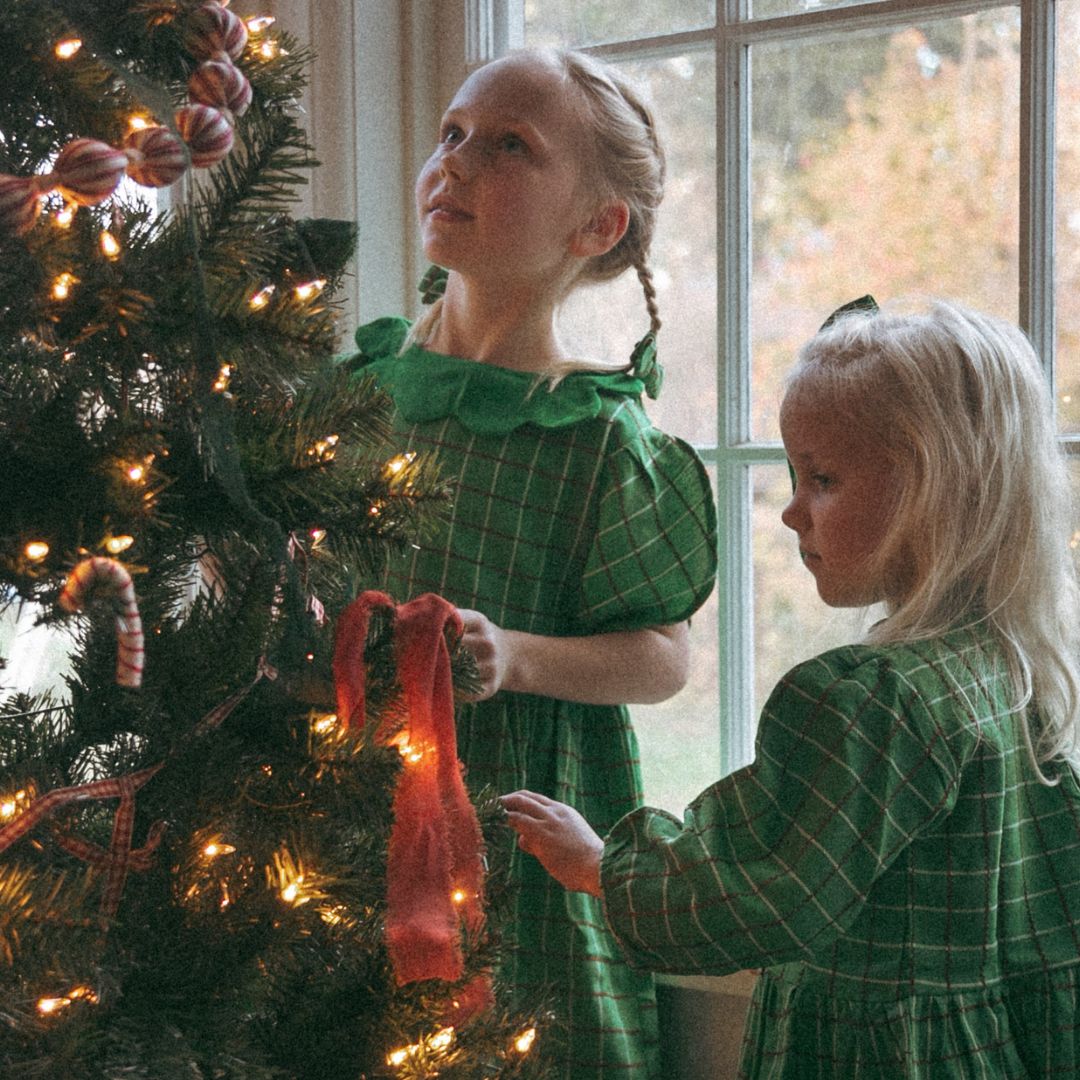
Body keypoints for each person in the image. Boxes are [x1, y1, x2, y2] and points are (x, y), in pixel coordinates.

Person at [503, 299, 1080, 1078]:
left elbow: (765, 888)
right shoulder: (1008, 665)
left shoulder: (869, 698)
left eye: (824, 479)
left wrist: (602, 868)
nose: (790, 511)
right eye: (793, 475)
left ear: (934, 491)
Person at [341, 47, 717, 1078]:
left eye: (509, 146)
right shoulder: (353, 395)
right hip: (326, 816)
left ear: (598, 226)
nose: (455, 162)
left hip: (514, 839)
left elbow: (665, 659)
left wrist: (515, 655)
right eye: (452, 133)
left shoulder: (599, 439)